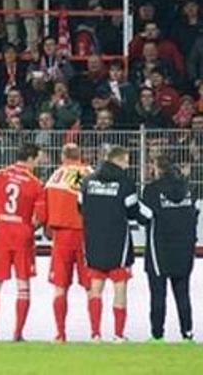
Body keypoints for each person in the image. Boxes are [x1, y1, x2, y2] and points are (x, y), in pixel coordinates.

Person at [80, 146, 152, 341]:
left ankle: (95, 334)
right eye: (126, 161)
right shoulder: (125, 183)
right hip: (117, 242)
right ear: (119, 160)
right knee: (120, 287)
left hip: (93, 240)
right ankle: (118, 335)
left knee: (95, 288)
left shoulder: (87, 181)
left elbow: (80, 206)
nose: (128, 165)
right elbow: (133, 210)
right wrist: (152, 219)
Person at [0, 142, 45, 341]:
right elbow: (39, 217)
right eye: (38, 159)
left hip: (1, 232)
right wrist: (28, 227)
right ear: (30, 158)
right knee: (23, 285)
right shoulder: (35, 183)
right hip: (22, 235)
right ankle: (17, 333)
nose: (39, 162)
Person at [140, 155, 197, 341]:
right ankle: (187, 333)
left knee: (158, 294)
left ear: (157, 169)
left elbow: (144, 217)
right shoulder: (188, 189)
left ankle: (157, 335)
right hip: (184, 248)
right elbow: (194, 214)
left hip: (160, 249)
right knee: (183, 293)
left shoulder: (151, 190)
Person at [43, 143, 93, 342]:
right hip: (85, 236)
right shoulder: (91, 174)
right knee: (91, 286)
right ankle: (95, 332)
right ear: (80, 156)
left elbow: (44, 206)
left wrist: (47, 229)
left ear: (62, 156)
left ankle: (60, 333)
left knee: (60, 286)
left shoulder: (55, 176)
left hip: (61, 235)